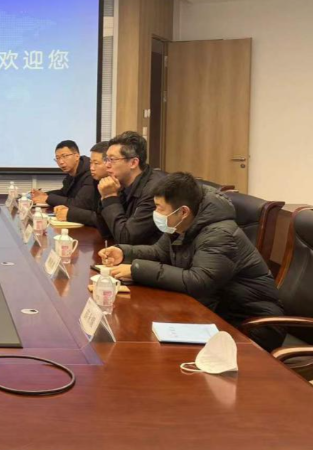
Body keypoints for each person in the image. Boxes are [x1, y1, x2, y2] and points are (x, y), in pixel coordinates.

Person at [98, 173, 285, 351]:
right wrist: (124, 252)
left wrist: (136, 270)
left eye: (159, 208)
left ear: (183, 211)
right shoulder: (183, 223)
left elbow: (198, 281)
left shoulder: (220, 235)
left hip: (251, 325)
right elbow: (159, 252)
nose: (155, 213)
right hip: (216, 312)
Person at [96, 131, 165, 245]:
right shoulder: (120, 183)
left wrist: (109, 197)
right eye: (106, 159)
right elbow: (106, 233)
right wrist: (105, 198)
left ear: (133, 163)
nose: (107, 165)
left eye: (112, 159)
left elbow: (126, 238)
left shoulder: (154, 191)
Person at [54, 141, 109, 226]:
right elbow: (97, 214)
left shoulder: (118, 185)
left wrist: (70, 213)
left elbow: (105, 220)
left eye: (96, 163)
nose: (92, 168)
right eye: (91, 163)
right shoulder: (97, 180)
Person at [31, 140, 93, 211]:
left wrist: (47, 198)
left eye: (64, 156)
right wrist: (44, 194)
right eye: (58, 158)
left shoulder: (90, 174)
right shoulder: (72, 172)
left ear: (77, 156)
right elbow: (64, 193)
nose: (61, 162)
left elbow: (79, 204)